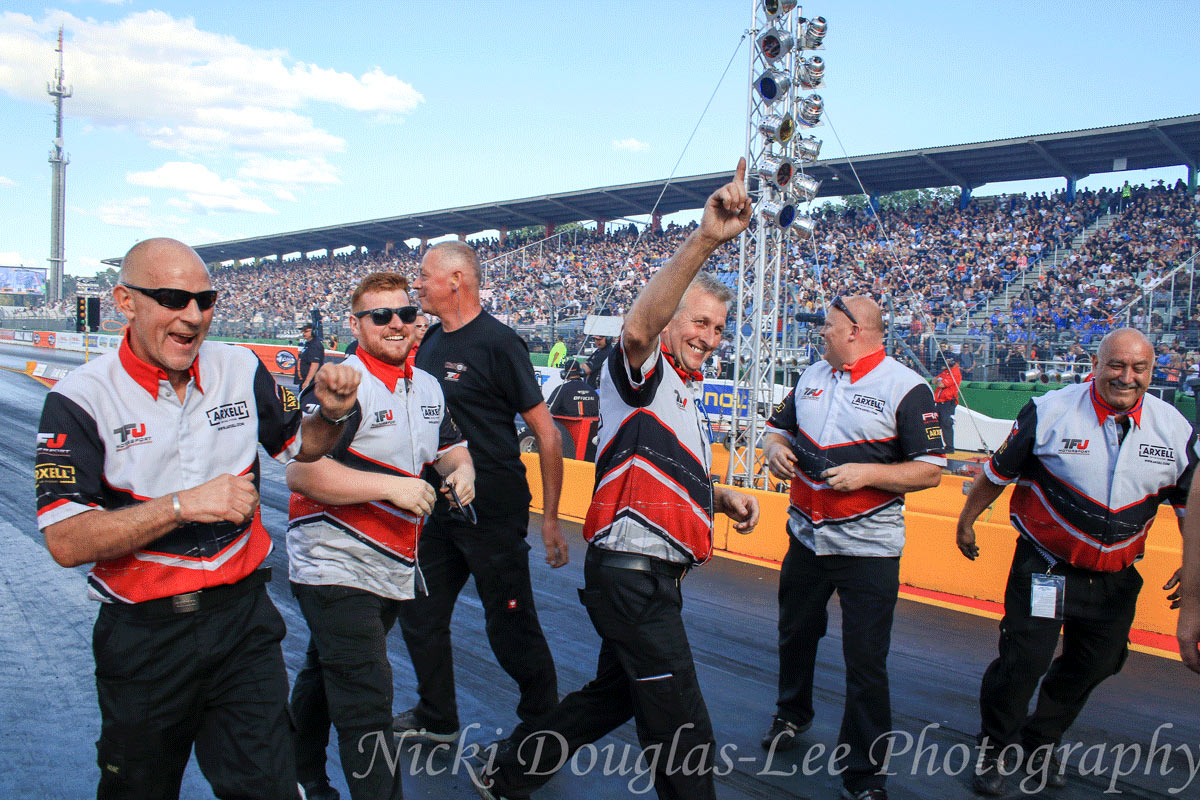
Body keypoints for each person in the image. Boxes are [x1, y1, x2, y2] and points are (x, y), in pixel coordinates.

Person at [473, 158, 760, 800]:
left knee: (612, 698)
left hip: (648, 578)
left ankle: (507, 770)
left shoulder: (682, 397)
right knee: (686, 738)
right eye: (699, 322)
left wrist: (717, 496)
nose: (710, 338)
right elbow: (636, 328)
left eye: (718, 328)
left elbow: (655, 477)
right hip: (633, 581)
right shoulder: (643, 372)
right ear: (670, 321)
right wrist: (706, 239)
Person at [35, 237, 360, 799]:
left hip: (243, 625)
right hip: (144, 640)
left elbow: (302, 448)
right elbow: (66, 540)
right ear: (125, 301)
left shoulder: (239, 367)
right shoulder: (78, 399)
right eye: (171, 298)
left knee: (271, 789)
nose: (193, 316)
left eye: (204, 300)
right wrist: (183, 505)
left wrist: (334, 414)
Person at [956, 328, 1197, 795]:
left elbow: (1192, 509)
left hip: (1114, 577)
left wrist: (1194, 566)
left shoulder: (1176, 429)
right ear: (1096, 363)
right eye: (1117, 365)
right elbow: (996, 473)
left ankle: (1040, 740)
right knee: (1023, 662)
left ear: (1153, 372)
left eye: (1139, 368)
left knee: (1100, 663)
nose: (1127, 377)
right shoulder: (1049, 411)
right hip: (1045, 569)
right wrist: (967, 519)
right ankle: (995, 748)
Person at [286, 273, 475, 800]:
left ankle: (298, 775)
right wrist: (392, 486)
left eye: (406, 314)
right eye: (380, 316)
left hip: (394, 562)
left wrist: (463, 472)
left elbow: (450, 448)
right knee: (368, 699)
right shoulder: (342, 381)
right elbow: (301, 472)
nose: (397, 324)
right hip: (331, 560)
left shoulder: (428, 384)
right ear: (356, 324)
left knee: (328, 673)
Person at [760, 294, 945, 800]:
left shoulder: (907, 387)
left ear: (856, 330)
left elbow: (930, 469)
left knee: (866, 662)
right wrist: (775, 449)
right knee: (794, 632)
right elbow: (775, 431)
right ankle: (790, 713)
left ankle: (864, 777)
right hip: (805, 537)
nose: (821, 332)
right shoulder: (810, 377)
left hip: (870, 549)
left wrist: (869, 473)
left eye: (828, 325)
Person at [394, 241, 567, 743]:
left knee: (510, 624)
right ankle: (437, 716)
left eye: (424, 276)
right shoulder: (427, 345)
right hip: (440, 509)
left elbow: (548, 434)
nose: (417, 284)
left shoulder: (499, 343)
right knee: (419, 612)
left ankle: (541, 726)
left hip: (493, 510)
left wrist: (551, 519)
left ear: (455, 280)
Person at [933, 355, 963, 450]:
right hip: (939, 402)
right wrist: (939, 381)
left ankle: (949, 446)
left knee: (946, 423)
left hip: (948, 402)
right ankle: (937, 445)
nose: (948, 361)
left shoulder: (955, 372)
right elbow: (934, 380)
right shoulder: (946, 372)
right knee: (935, 423)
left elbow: (941, 384)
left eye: (950, 360)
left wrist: (939, 381)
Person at [298, 321, 325, 390]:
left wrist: (307, 381)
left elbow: (315, 364)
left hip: (312, 382)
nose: (303, 333)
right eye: (303, 331)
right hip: (305, 379)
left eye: (306, 331)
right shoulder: (308, 344)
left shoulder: (315, 345)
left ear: (313, 332)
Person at [404, 311, 429, 375]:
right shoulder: (404, 350)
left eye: (425, 326)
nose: (423, 329)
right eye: (419, 326)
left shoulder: (433, 348)